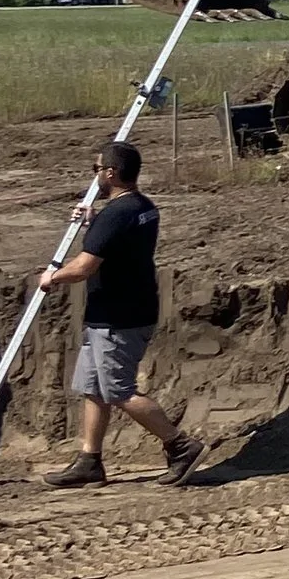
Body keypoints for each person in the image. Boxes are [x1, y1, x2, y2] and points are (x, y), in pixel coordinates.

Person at [36, 137, 205, 487]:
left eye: (96, 169)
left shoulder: (116, 215)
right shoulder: (142, 207)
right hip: (118, 311)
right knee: (94, 388)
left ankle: (181, 446)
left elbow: (84, 267)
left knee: (119, 391)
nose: (94, 175)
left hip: (118, 318)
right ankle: (89, 461)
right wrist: (94, 222)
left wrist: (53, 277)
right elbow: (119, 240)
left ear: (111, 173)